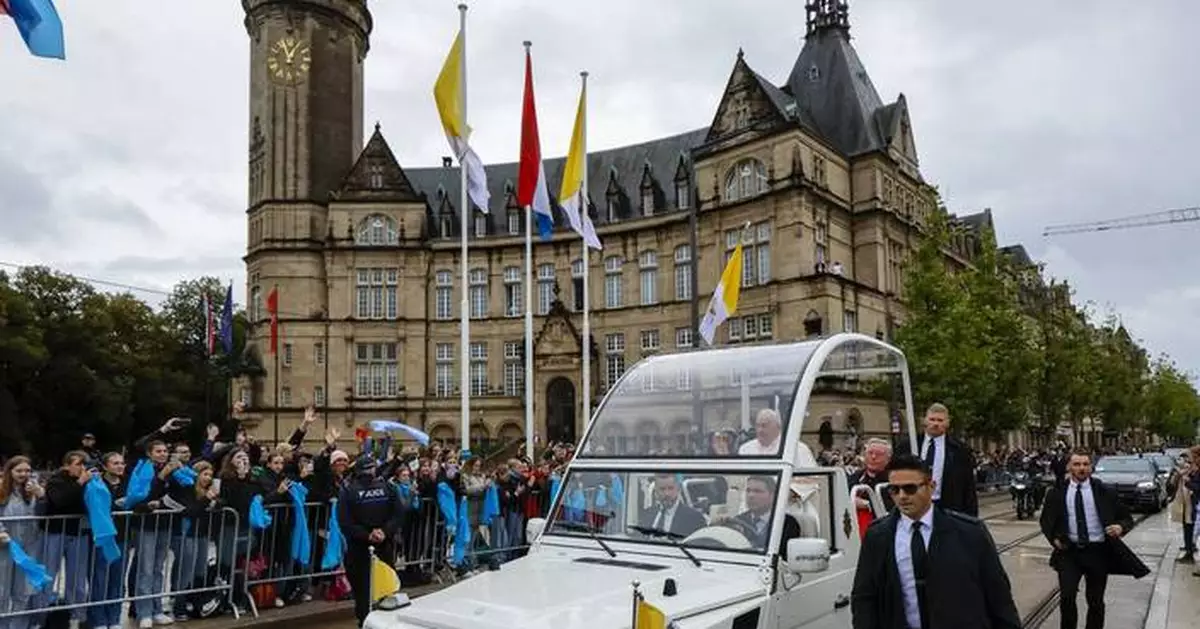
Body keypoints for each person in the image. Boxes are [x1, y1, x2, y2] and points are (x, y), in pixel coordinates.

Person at [851, 454, 1020, 629]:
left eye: (910, 489)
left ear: (931, 487)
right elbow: (864, 596)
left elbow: (998, 595)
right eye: (894, 490)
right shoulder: (878, 535)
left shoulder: (970, 532)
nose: (902, 496)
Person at [1039, 448, 1149, 629]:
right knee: (1067, 597)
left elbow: (1126, 517)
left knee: (1095, 601)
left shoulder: (1105, 491)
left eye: (1085, 464)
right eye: (1077, 464)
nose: (1081, 468)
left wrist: (1120, 527)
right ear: (1069, 467)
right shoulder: (1057, 492)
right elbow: (1046, 521)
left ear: (1091, 466)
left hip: (1097, 552)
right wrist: (1054, 539)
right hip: (1069, 552)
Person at [337, 455, 404, 627]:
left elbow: (345, 522)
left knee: (362, 590)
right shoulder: (388, 487)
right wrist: (384, 532)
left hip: (359, 547)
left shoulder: (348, 490)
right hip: (382, 545)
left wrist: (367, 535)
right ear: (373, 469)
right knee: (386, 586)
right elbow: (398, 514)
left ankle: (365, 622)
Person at [895, 403, 978, 516]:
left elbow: (968, 486)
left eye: (940, 420)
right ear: (925, 421)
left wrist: (971, 518)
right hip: (915, 505)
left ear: (947, 423)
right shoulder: (908, 446)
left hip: (947, 506)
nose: (935, 424)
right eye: (932, 419)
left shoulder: (960, 450)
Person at [639, 474, 706, 538]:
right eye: (662, 489)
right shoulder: (647, 514)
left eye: (670, 488)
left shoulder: (695, 519)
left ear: (678, 489)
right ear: (656, 491)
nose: (667, 493)